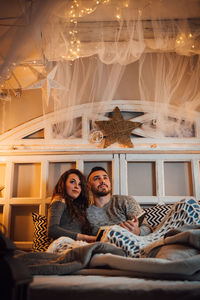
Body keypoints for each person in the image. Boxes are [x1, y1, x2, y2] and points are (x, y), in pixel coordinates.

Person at [87, 166, 152, 237]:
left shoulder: (125, 201)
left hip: (127, 245)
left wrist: (138, 231)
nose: (102, 181)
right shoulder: (85, 211)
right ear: (89, 187)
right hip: (99, 246)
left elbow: (148, 229)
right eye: (96, 179)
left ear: (110, 184)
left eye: (105, 178)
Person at [47, 169, 96, 243]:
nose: (77, 186)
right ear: (63, 184)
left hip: (77, 246)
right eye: (72, 182)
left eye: (80, 184)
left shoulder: (77, 208)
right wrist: (86, 237)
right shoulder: (59, 200)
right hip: (62, 246)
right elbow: (52, 230)